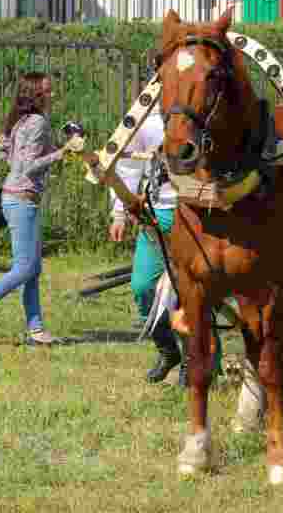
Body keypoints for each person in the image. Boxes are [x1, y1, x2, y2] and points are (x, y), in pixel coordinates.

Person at [0, 71, 85, 348]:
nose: (53, 95)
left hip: (16, 197)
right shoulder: (36, 122)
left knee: (32, 269)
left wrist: (18, 157)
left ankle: (36, 329)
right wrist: (63, 153)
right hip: (22, 200)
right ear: (36, 95)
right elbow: (29, 166)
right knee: (24, 268)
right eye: (48, 91)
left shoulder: (21, 119)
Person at [109, 97, 186, 386]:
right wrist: (119, 212)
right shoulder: (144, 117)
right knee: (142, 287)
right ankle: (168, 349)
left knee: (193, 294)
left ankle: (199, 361)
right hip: (155, 213)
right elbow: (128, 167)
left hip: (194, 213)